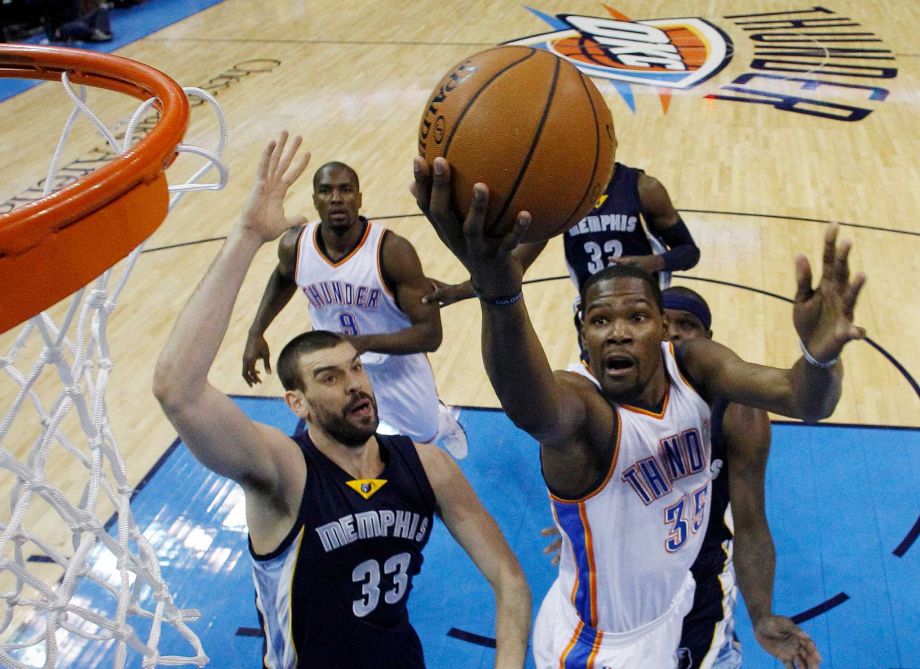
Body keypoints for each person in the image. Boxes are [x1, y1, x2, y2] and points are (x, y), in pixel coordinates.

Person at [412, 155, 863, 668]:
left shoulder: (695, 367)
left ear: (663, 330)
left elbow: (803, 400)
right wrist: (497, 290)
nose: (619, 330)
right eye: (600, 320)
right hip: (596, 650)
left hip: (675, 611)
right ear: (582, 335)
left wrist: (819, 356)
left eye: (638, 316)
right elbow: (530, 405)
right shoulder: (582, 408)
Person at [154, 134, 532, 668]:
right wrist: (245, 238)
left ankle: (442, 416)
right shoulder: (281, 475)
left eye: (353, 371)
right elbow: (177, 389)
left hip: (401, 660)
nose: (354, 383)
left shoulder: (429, 466)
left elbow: (511, 579)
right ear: (296, 404)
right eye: (329, 378)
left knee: (425, 424)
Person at [543, 285, 821, 669]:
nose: (672, 335)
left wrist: (761, 613)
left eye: (686, 326)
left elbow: (752, 523)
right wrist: (581, 531)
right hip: (630, 596)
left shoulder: (739, 412)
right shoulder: (610, 400)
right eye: (665, 324)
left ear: (708, 341)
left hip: (702, 577)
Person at [242, 155, 468, 458]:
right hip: (333, 366)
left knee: (423, 439)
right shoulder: (295, 246)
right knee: (329, 443)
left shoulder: (392, 252)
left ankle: (442, 421)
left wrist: (361, 344)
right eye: (326, 191)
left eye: (346, 189)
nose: (336, 198)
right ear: (314, 200)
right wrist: (257, 330)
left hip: (395, 366)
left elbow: (430, 336)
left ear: (359, 198)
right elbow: (284, 277)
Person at [425, 161, 699, 307]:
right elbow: (514, 267)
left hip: (644, 304)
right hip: (595, 310)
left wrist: (652, 263)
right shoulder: (564, 198)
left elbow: (690, 253)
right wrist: (460, 291)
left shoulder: (643, 188)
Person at [39, 0, 112, 42]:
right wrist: (52, 35)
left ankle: (102, 32)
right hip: (61, 27)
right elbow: (46, 20)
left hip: (78, 20)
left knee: (101, 10)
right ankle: (94, 33)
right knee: (79, 26)